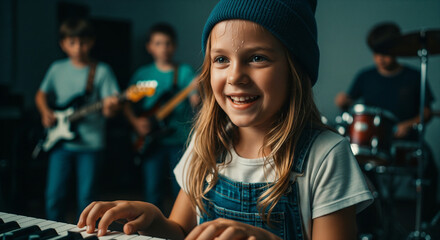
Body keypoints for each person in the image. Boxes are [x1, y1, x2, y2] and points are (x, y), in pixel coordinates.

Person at [78, 1, 373, 239]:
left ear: (296, 69)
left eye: (257, 57)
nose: (234, 76)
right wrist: (154, 221)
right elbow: (181, 231)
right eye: (221, 59)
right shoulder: (206, 143)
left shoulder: (326, 155)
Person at [334, 22, 437, 232]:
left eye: (386, 52)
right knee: (352, 171)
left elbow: (427, 112)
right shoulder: (366, 76)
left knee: (430, 166)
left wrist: (407, 125)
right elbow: (350, 102)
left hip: (405, 142)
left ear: (397, 50)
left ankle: (426, 224)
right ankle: (367, 229)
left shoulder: (414, 76)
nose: (381, 58)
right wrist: (343, 100)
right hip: (374, 147)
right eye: (376, 53)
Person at [35, 18, 120, 222]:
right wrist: (45, 112)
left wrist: (111, 107)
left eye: (83, 42)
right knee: (54, 195)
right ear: (63, 44)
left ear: (91, 42)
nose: (78, 48)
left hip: (91, 144)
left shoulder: (102, 71)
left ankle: (85, 233)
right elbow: (40, 94)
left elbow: (110, 112)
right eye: (72, 42)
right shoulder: (57, 69)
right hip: (60, 142)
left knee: (87, 198)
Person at [123, 23, 199, 212]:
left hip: (179, 140)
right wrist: (135, 122)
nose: (163, 48)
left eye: (168, 43)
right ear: (149, 47)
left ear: (174, 46)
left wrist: (196, 97)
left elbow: (195, 99)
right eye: (158, 43)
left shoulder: (184, 72)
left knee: (181, 190)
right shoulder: (142, 74)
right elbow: (126, 102)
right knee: (152, 190)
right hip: (151, 141)